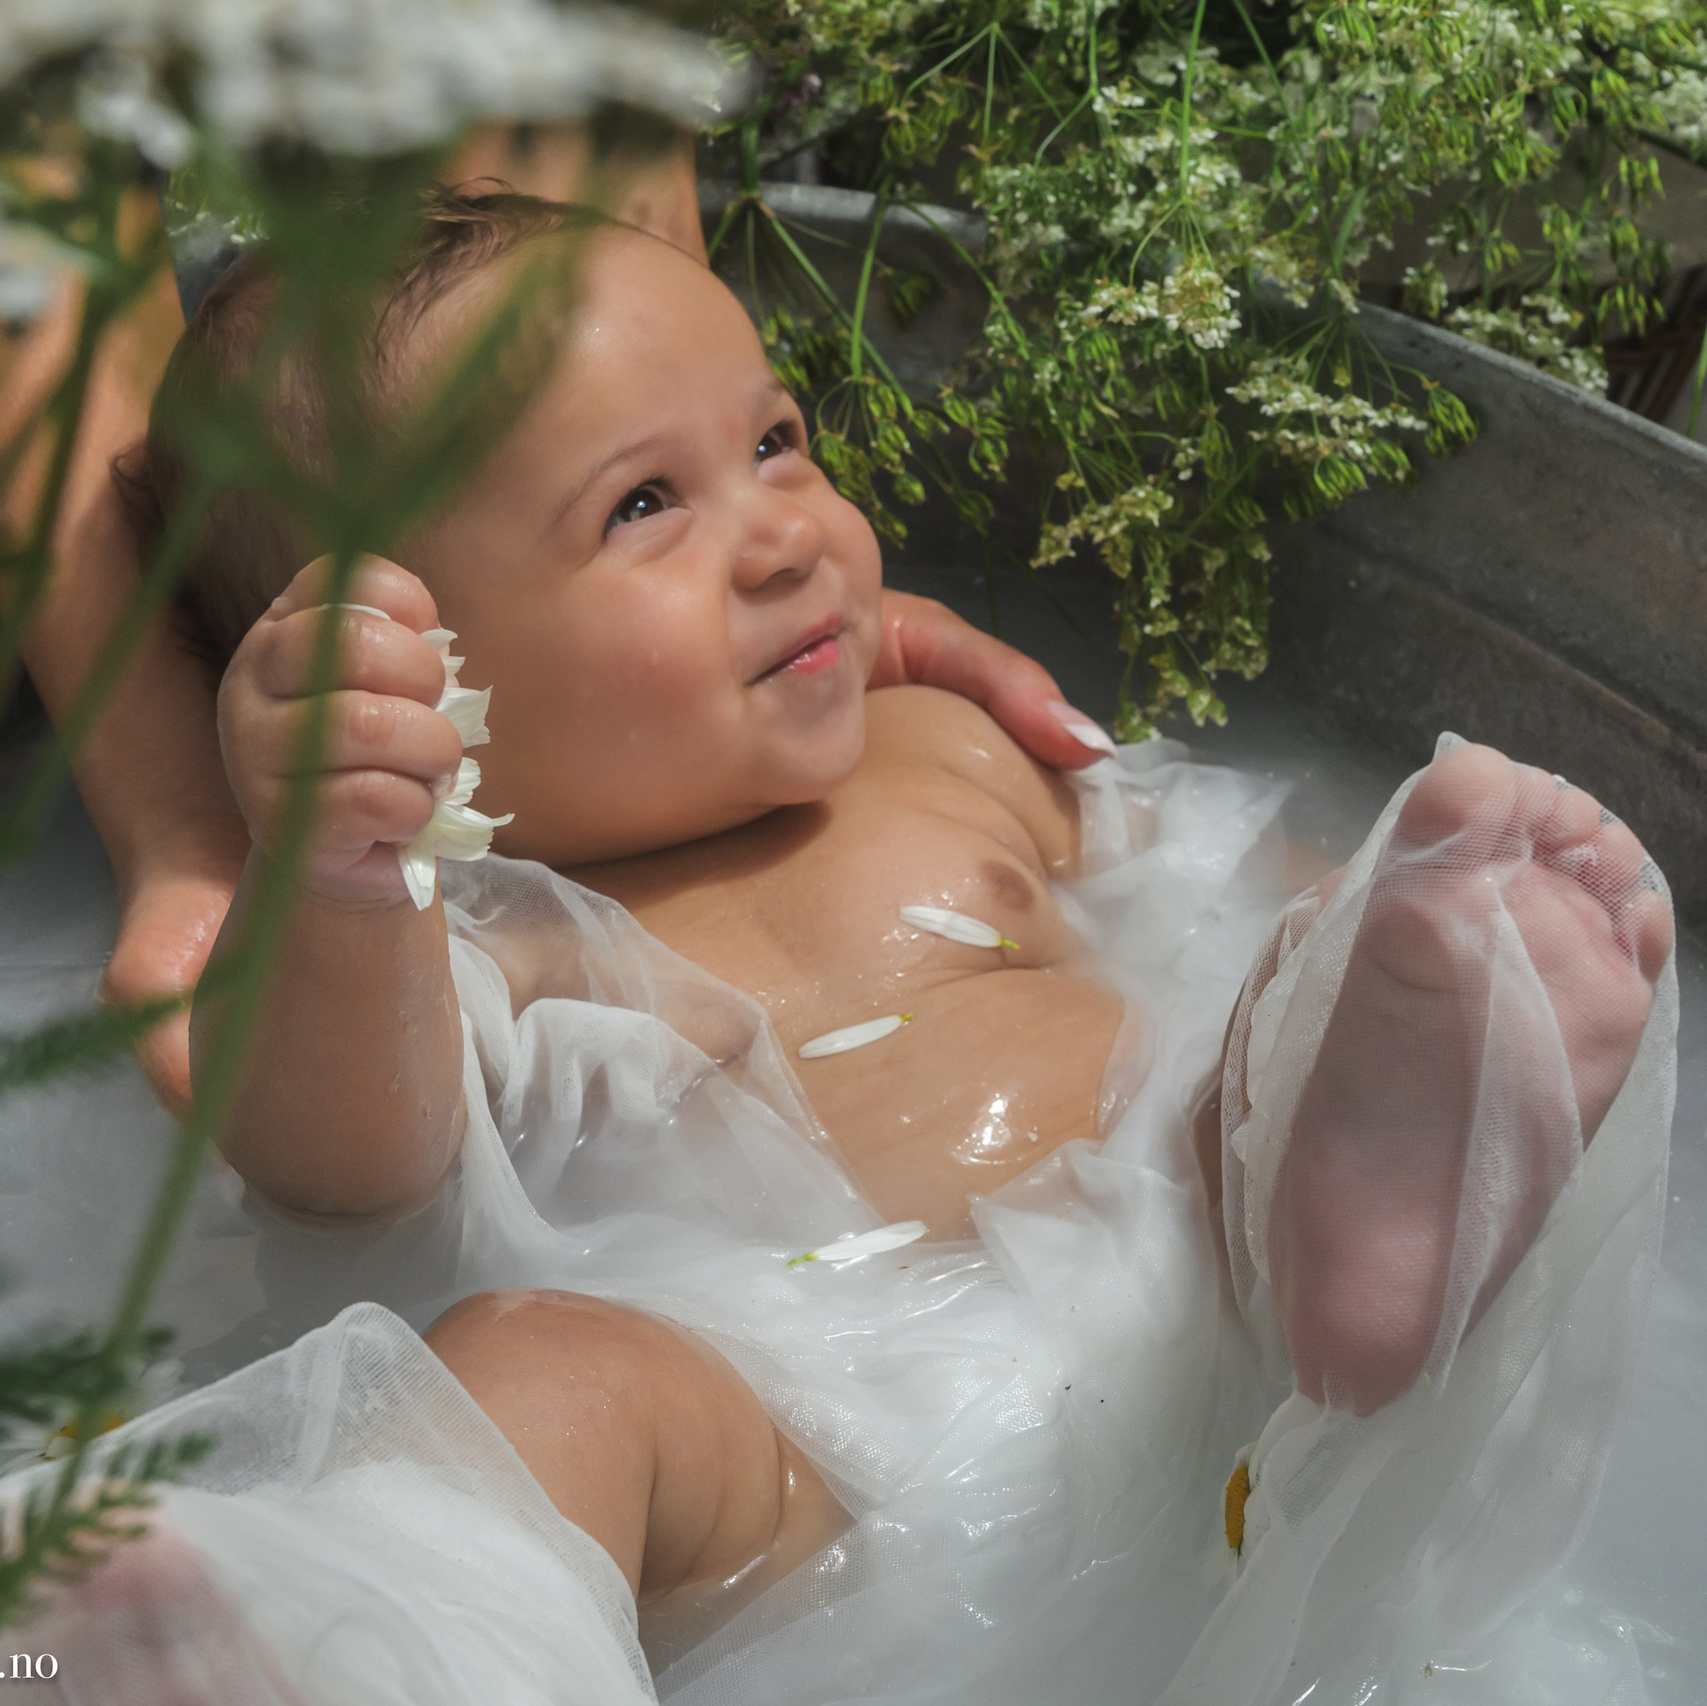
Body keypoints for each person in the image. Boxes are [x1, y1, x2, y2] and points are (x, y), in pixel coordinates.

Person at [4, 133, 1103, 1119]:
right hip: (739, 1336)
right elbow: (342, 1161)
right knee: (539, 1351)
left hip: (1163, 1203)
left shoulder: (942, 745)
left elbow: (1227, 878)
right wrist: (330, 889)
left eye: (774, 441)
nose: (791, 538)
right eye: (642, 503)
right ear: (408, 679)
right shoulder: (476, 953)